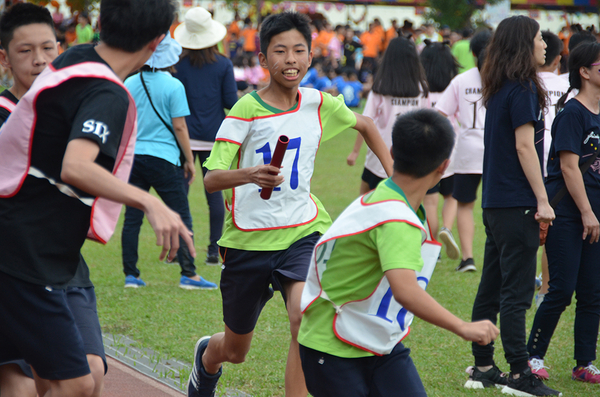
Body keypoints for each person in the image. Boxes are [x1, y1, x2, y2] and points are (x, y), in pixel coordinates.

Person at [186, 11, 393, 397]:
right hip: (247, 241)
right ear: (263, 60)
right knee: (236, 350)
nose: (291, 59)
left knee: (303, 318)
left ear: (311, 56)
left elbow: (365, 124)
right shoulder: (245, 110)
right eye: (280, 51)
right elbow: (212, 179)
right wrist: (251, 174)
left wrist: (396, 183)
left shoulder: (317, 103)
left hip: (302, 230)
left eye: (299, 50)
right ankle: (206, 357)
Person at [0, 1, 192, 397]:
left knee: (68, 380)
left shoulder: (76, 57)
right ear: (157, 42)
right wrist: (151, 202)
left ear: (101, 24)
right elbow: (76, 166)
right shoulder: (106, 92)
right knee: (73, 384)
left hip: (41, 252)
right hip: (23, 254)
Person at [298, 109, 499, 397]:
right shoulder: (395, 218)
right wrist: (463, 327)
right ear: (444, 166)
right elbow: (405, 290)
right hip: (332, 346)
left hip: (379, 342)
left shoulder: (385, 197)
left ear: (393, 151)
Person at [0, 3, 114, 397]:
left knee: (90, 375)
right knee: (23, 388)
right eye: (25, 51)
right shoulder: (3, 117)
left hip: (64, 268)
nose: (39, 60)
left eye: (48, 49)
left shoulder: (77, 111)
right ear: (4, 58)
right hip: (13, 268)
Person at [464, 16, 561, 397]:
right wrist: (542, 199)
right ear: (525, 44)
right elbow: (525, 147)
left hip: (495, 202)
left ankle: (484, 366)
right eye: (539, 39)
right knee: (516, 292)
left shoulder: (501, 86)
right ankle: (521, 373)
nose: (545, 45)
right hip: (517, 201)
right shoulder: (522, 89)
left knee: (491, 286)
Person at [526, 41, 600, 385]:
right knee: (561, 290)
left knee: (592, 291)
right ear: (584, 72)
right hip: (571, 214)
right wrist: (586, 212)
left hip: (595, 215)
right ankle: (532, 357)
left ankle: (584, 362)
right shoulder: (572, 114)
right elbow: (569, 169)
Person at [122, 34, 217, 290]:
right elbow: (180, 127)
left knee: (132, 217)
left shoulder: (130, 82)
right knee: (181, 215)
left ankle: (131, 274)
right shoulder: (174, 86)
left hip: (135, 158)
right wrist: (188, 159)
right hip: (164, 159)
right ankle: (190, 274)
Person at [173, 7, 238, 266]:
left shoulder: (177, 65)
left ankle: (180, 249)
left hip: (184, 138)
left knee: (180, 196)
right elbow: (231, 102)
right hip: (215, 138)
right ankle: (214, 250)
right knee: (214, 197)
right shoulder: (223, 64)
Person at [435, 29, 492, 272]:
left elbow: (440, 113)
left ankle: (468, 258)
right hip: (496, 151)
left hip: (467, 148)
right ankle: (497, 259)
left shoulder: (462, 80)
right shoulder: (505, 78)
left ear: (473, 53)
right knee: (495, 208)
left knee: (465, 205)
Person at [347, 36, 429, 195]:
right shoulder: (422, 88)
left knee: (366, 201)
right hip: (410, 157)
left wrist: (355, 151)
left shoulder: (381, 85)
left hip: (379, 156)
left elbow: (365, 121)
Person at [535, 30, 570, 307]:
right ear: (558, 58)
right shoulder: (568, 87)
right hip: (560, 162)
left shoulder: (526, 84)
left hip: (532, 161)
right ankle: (545, 287)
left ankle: (530, 284)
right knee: (551, 224)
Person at [419, 40, 460, 261]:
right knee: (451, 196)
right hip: (451, 153)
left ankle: (432, 245)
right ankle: (447, 228)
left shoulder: (420, 92)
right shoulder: (453, 87)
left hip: (428, 155)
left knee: (430, 203)